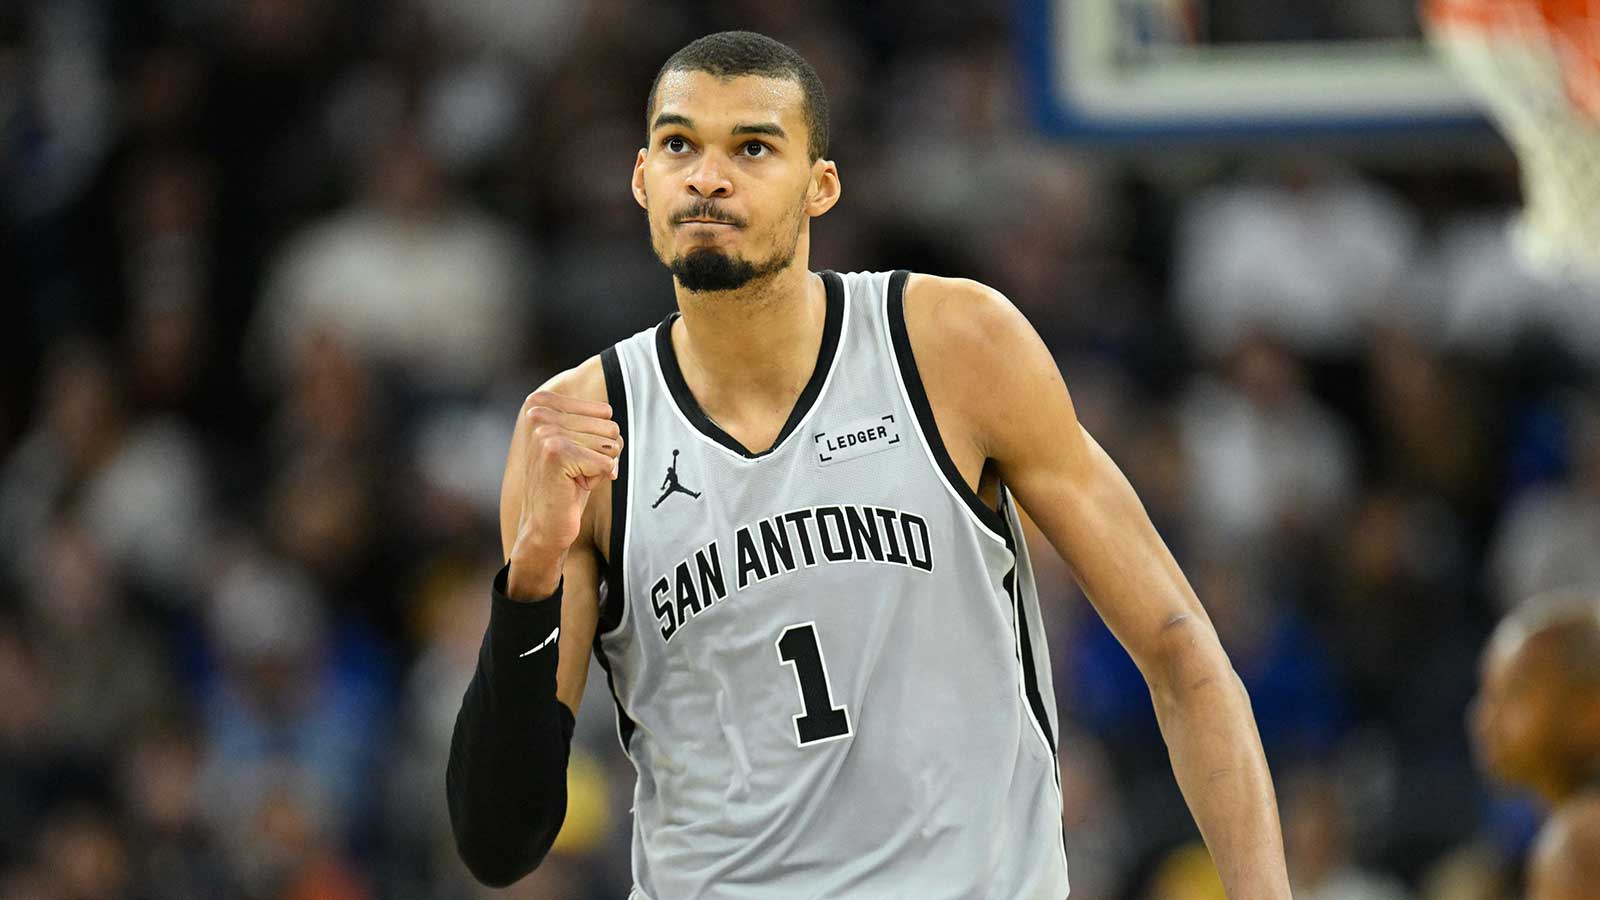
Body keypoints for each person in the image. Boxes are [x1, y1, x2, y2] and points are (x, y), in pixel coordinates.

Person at [446, 31, 1290, 899]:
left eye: (752, 148)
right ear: (641, 179)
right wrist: (532, 574)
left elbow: (1179, 648)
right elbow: (499, 844)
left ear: (821, 185)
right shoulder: (585, 425)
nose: (707, 177)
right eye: (679, 146)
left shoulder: (951, 345)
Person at [1470, 592, 1600, 900]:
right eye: (1489, 694)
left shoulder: (1577, 849)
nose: (1487, 718)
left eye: (1516, 693)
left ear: (1590, 710)